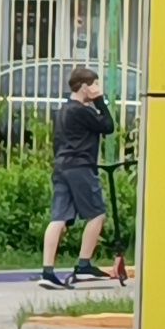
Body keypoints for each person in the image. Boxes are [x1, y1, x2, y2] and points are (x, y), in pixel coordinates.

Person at [40, 65, 115, 290]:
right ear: (84, 87)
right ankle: (83, 266)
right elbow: (108, 126)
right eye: (94, 84)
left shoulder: (63, 110)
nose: (97, 88)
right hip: (80, 166)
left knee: (59, 218)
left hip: (62, 166)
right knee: (97, 214)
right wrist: (100, 101)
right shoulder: (82, 111)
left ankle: (47, 271)